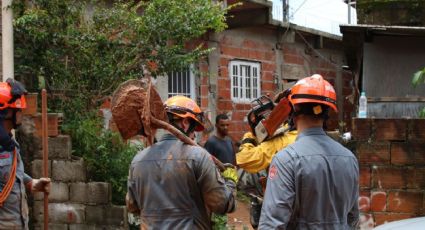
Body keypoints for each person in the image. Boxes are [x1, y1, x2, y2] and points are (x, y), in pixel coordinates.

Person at [259, 74, 359, 229]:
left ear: (294, 109)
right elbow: (352, 218)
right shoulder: (349, 158)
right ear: (327, 111)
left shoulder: (286, 160)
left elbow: (272, 224)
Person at [126, 95, 237, 229]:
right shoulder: (199, 156)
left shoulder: (138, 160)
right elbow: (221, 204)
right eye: (194, 128)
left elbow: (132, 206)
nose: (194, 135)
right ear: (185, 123)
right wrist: (230, 181)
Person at [236, 95, 297, 228]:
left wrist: (250, 137)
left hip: (284, 208)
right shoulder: (300, 136)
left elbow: (244, 159)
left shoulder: (278, 142)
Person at [0, 78, 51, 229]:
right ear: (7, 113)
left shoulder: (10, 145)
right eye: (18, 110)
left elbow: (12, 175)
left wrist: (33, 184)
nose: (21, 113)